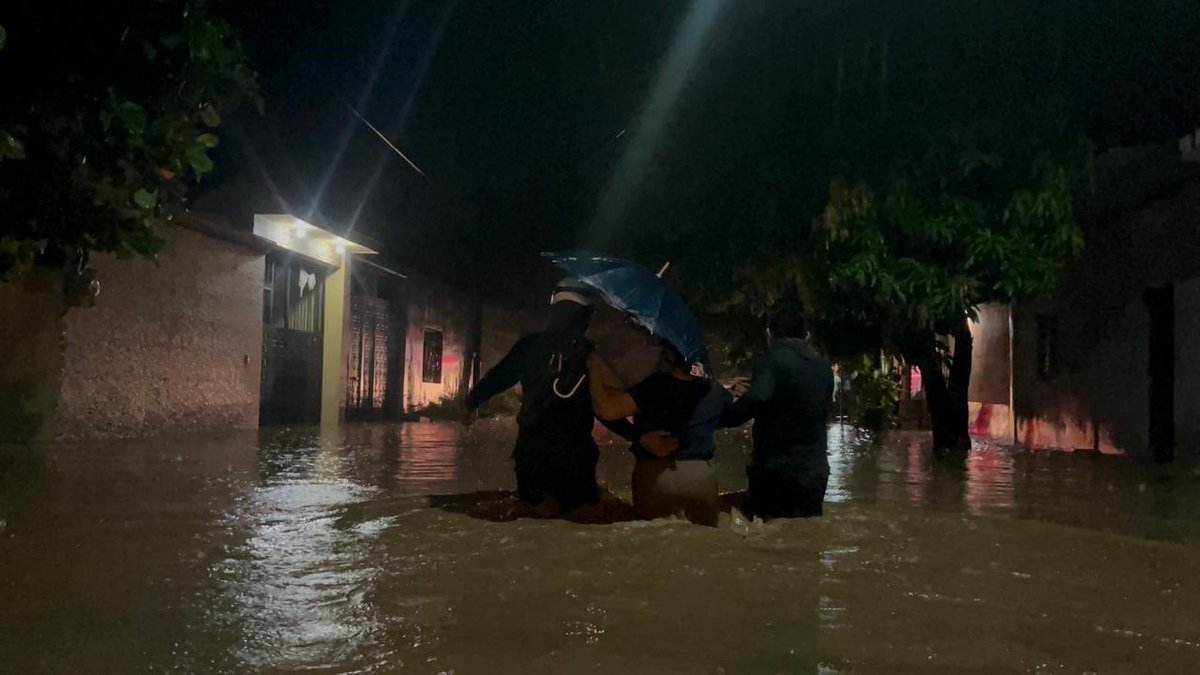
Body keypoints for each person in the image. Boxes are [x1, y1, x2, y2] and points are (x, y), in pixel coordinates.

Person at [462, 279, 601, 519]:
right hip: (576, 456)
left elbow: (500, 377)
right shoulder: (593, 355)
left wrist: (471, 402)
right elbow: (607, 407)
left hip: (533, 452)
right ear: (586, 317)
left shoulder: (529, 346)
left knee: (540, 512)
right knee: (583, 515)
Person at [588, 333, 730, 527]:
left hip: (656, 475)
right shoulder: (715, 390)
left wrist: (593, 366)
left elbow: (606, 409)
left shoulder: (655, 387)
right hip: (700, 477)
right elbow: (731, 415)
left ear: (669, 355)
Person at [722, 302, 834, 518]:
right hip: (816, 469)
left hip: (778, 468)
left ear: (769, 333)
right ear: (806, 335)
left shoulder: (772, 360)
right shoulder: (823, 367)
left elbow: (758, 397)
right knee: (806, 536)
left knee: (772, 538)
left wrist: (725, 416)